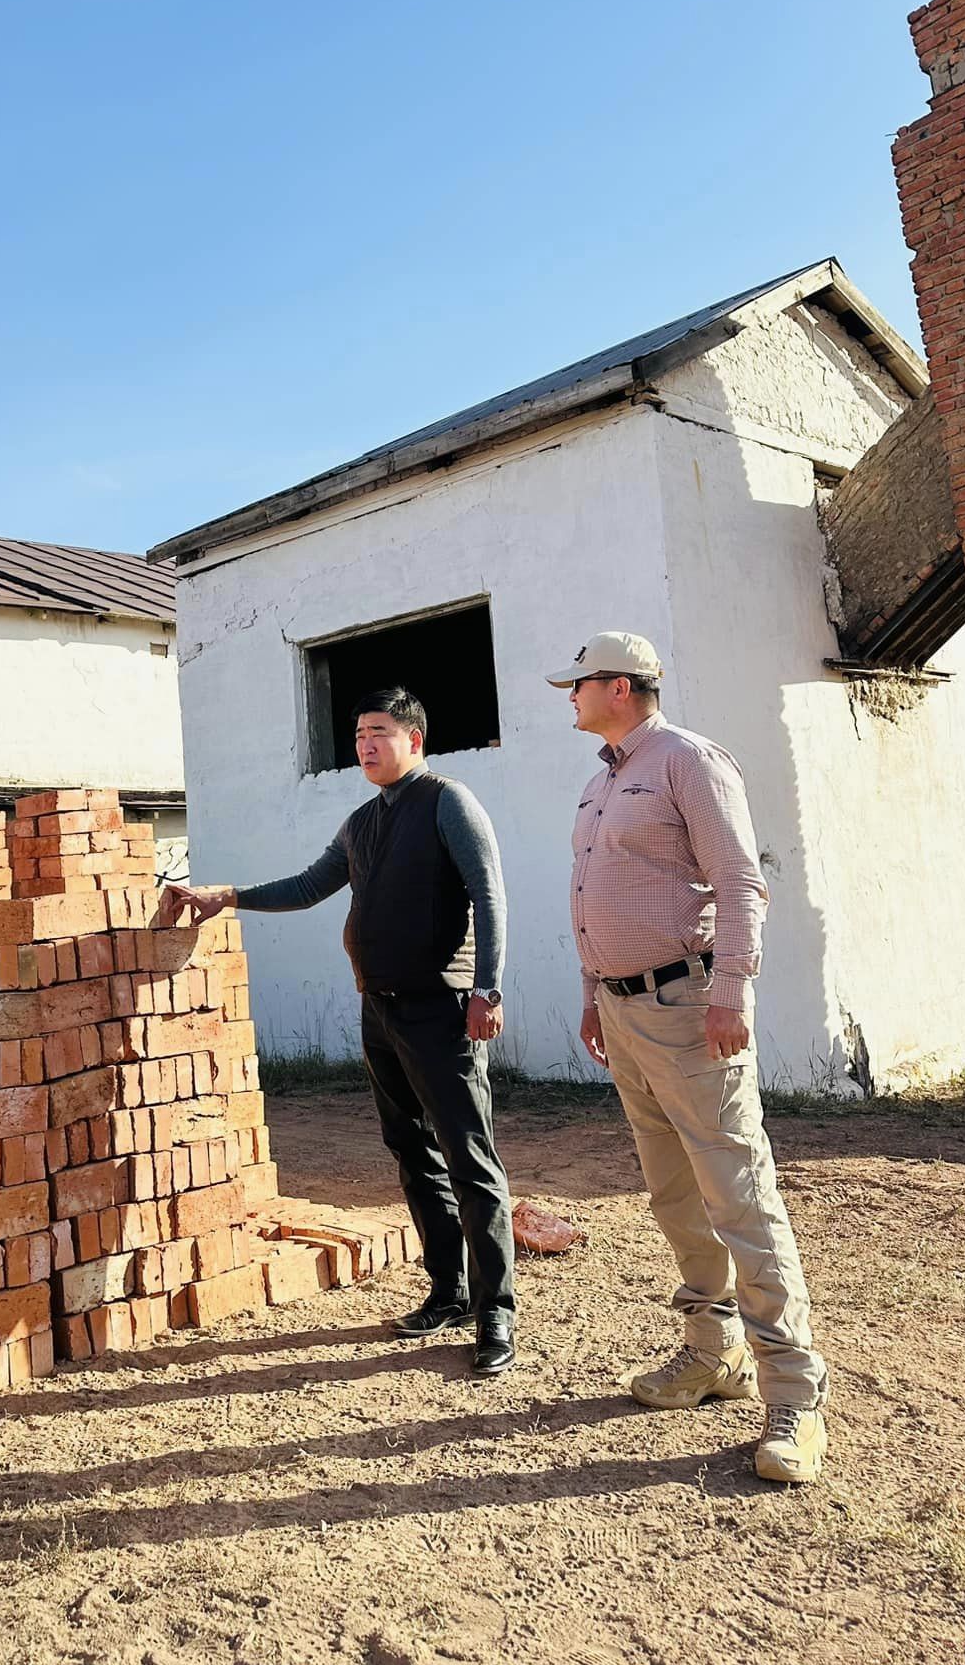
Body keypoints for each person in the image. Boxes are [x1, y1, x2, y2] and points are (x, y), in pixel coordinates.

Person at [163, 687, 517, 1374]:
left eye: (380, 732)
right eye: (358, 734)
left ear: (416, 739)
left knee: (469, 1157)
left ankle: (496, 1310)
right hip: (379, 1008)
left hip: (441, 1008)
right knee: (411, 1152)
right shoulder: (361, 822)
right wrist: (228, 896)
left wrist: (488, 988)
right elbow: (308, 885)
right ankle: (449, 1290)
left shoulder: (448, 801)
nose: (365, 743)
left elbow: (488, 893)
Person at [547, 632, 828, 1483]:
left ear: (623, 687)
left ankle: (795, 1393)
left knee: (738, 1192)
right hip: (627, 1013)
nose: (570, 695)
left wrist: (732, 991)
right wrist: (594, 993)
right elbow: (598, 897)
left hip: (686, 1007)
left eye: (581, 683)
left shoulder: (686, 761)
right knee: (673, 1192)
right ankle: (713, 1353)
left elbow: (740, 880)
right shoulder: (603, 780)